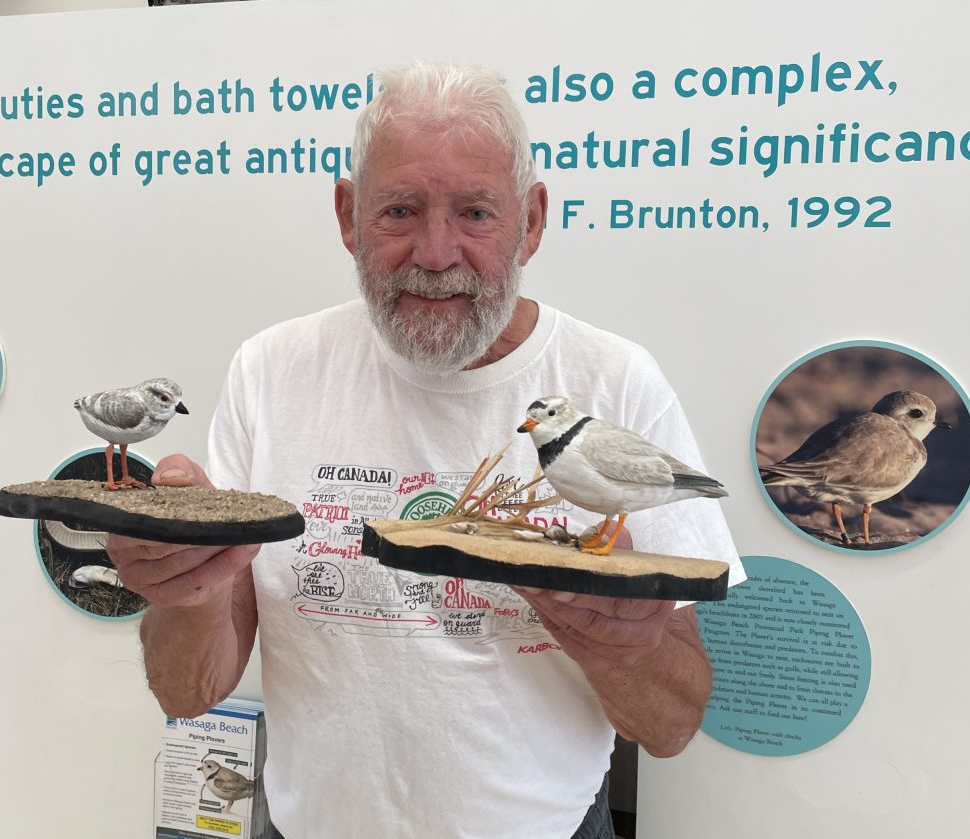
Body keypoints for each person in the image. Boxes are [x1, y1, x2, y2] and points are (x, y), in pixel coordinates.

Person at [109, 62, 744, 839]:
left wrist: (624, 649)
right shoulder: (271, 371)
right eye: (400, 210)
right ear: (348, 215)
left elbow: (674, 723)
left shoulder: (614, 382)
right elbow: (187, 692)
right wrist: (187, 588)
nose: (436, 253)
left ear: (533, 221)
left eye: (476, 212)